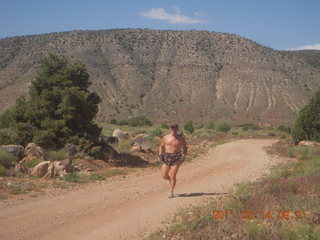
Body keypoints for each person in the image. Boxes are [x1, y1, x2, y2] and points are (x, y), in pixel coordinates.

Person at [159, 123, 188, 198]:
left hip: (176, 157)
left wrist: (184, 156)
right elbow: (161, 146)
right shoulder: (165, 137)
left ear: (177, 129)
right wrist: (160, 155)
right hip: (166, 156)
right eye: (172, 127)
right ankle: (171, 180)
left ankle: (171, 191)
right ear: (170, 129)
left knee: (172, 175)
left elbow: (185, 147)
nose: (173, 129)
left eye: (175, 128)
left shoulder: (181, 138)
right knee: (164, 176)